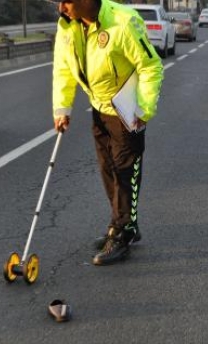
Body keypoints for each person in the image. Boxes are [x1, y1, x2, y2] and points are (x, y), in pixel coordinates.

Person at [52, 0, 164, 265]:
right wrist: (62, 107)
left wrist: (142, 110)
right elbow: (63, 68)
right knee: (108, 170)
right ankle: (123, 224)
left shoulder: (123, 21)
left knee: (125, 172)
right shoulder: (67, 25)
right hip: (99, 108)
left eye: (66, 1)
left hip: (127, 110)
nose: (61, 7)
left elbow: (151, 66)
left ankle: (121, 233)